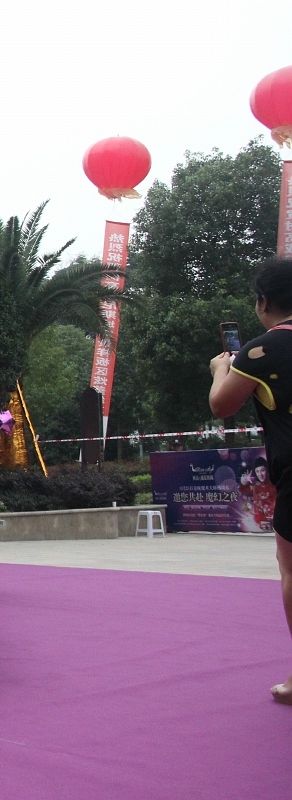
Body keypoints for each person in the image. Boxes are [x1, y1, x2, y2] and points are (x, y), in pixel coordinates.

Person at [208, 257, 292, 706]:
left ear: (263, 303)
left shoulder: (260, 351)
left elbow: (222, 405)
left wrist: (220, 369)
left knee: (291, 569)